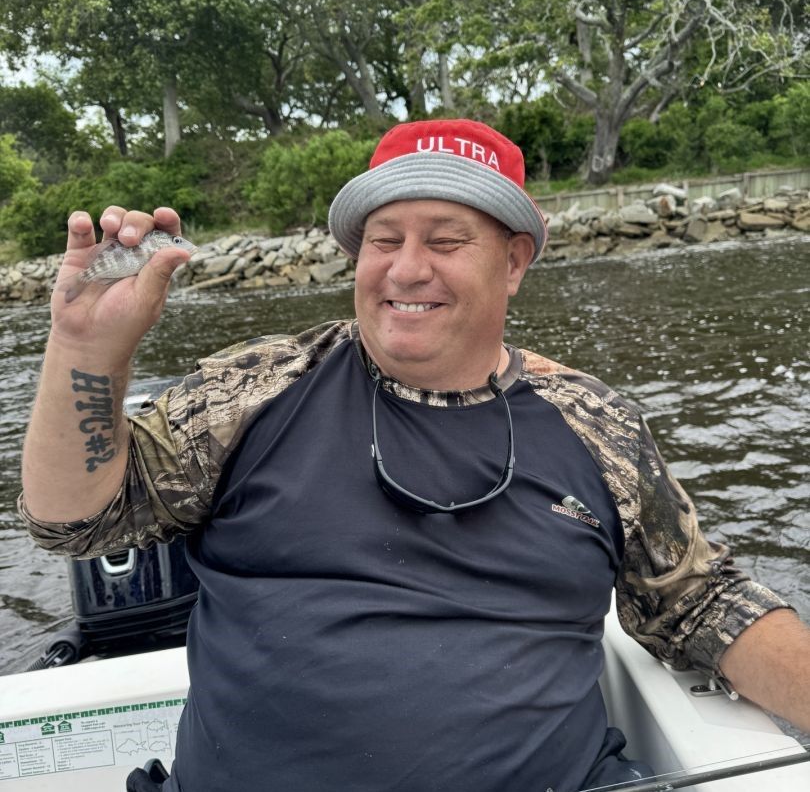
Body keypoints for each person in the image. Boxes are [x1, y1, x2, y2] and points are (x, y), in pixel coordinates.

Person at [19, 119, 810, 792]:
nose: (404, 269)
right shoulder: (252, 391)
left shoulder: (594, 423)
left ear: (513, 262)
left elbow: (700, 602)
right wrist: (86, 350)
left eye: (445, 240)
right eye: (384, 240)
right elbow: (74, 527)